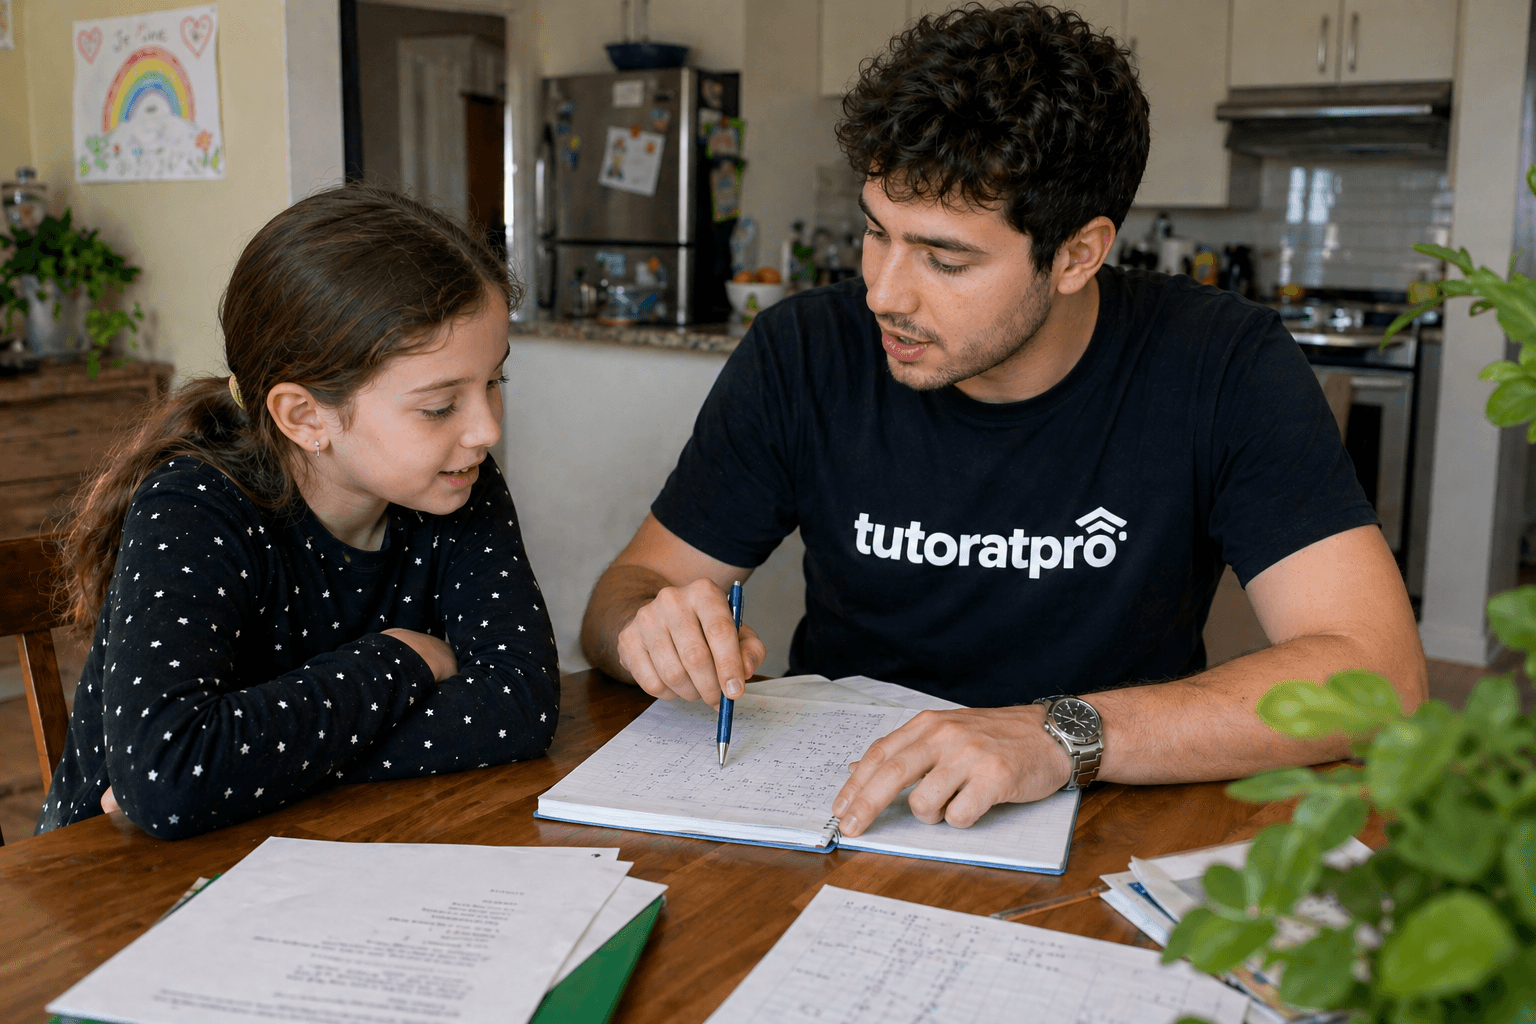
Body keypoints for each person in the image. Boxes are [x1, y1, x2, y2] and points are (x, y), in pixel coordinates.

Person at [580, 4, 1426, 839]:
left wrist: (1058, 733)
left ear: (1077, 255)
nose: (884, 292)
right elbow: (621, 600)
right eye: (876, 234)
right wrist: (649, 631)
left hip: (1111, 816)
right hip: (848, 814)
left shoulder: (1220, 364)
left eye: (945, 258)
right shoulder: (802, 351)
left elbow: (1377, 674)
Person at [36, 185, 559, 840]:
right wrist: (402, 660)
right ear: (305, 416)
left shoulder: (459, 481)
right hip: (113, 892)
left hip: (317, 859)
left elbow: (520, 705)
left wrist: (236, 771)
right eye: (439, 406)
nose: (484, 428)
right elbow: (167, 776)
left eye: (494, 383)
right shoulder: (196, 507)